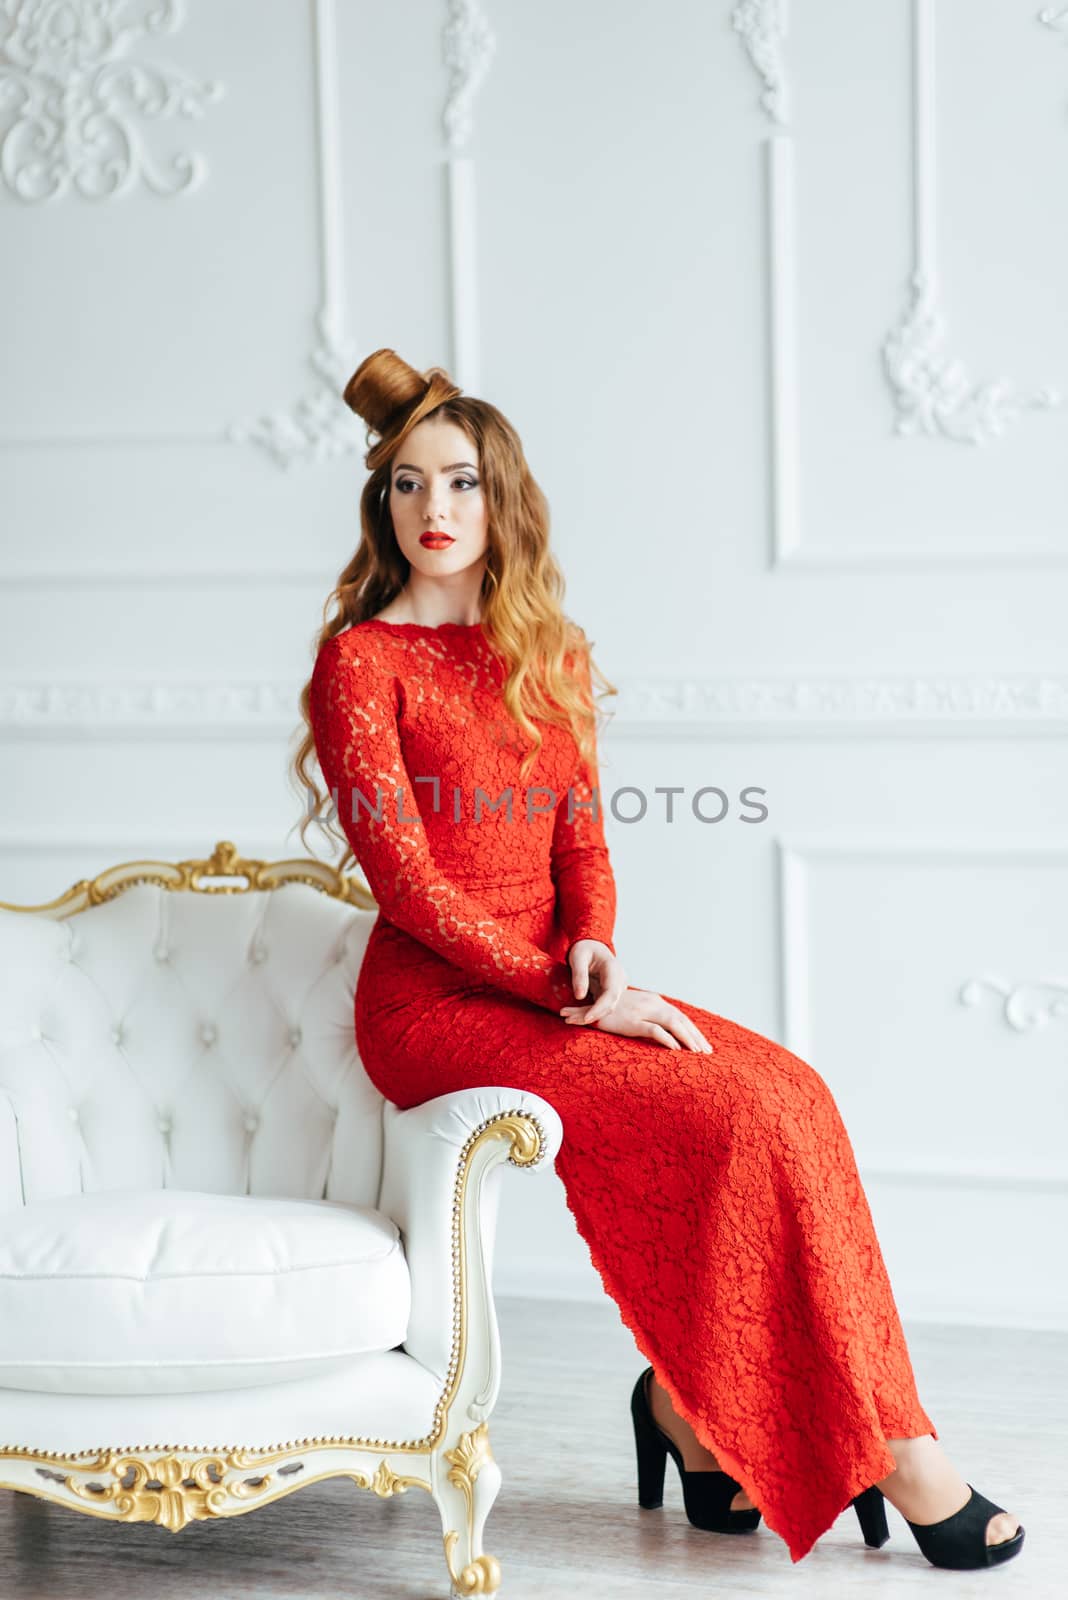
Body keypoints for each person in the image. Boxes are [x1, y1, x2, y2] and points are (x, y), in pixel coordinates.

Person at [293, 348, 1025, 1570]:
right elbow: (410, 890)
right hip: (437, 1003)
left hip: (553, 977)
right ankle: (893, 1452)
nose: (435, 510)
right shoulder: (362, 663)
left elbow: (583, 836)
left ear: (500, 498)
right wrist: (566, 992)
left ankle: (690, 1403)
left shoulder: (550, 649)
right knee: (728, 1108)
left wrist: (591, 948)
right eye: (409, 485)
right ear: (383, 505)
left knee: (786, 1092)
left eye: (461, 483)